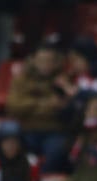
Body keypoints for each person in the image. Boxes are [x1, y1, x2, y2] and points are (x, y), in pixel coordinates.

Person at [5, 39, 70, 172]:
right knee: (9, 142)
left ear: (56, 61)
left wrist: (31, 107)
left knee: (58, 151)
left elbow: (65, 107)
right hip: (27, 130)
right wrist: (45, 104)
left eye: (49, 61)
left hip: (54, 131)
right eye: (42, 61)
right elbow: (14, 107)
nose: (45, 65)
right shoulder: (21, 80)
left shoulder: (63, 80)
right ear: (33, 60)